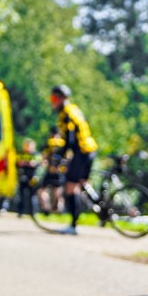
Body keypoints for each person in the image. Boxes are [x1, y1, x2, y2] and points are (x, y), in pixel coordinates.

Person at [49, 85, 97, 234]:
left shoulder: (66, 114)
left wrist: (58, 157)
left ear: (61, 98)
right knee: (82, 183)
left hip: (81, 151)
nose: (52, 102)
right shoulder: (74, 109)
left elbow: (69, 141)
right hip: (89, 149)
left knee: (70, 186)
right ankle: (100, 208)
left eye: (54, 98)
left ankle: (73, 225)